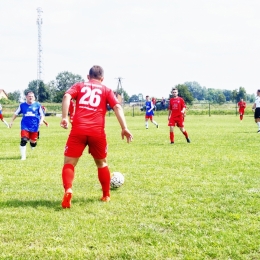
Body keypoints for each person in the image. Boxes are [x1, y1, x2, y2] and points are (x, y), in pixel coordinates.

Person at [60, 65, 133, 208]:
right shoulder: (106, 90)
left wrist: (64, 117)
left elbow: (66, 96)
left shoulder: (80, 86)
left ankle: (68, 188)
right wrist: (124, 127)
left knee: (69, 162)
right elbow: (117, 107)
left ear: (88, 76)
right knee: (102, 163)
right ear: (102, 78)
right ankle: (106, 195)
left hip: (78, 130)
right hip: (97, 132)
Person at [9, 91, 44, 160]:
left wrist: (41, 121)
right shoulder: (22, 105)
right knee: (23, 140)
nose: (30, 98)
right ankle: (23, 157)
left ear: (34, 97)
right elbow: (16, 113)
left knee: (33, 143)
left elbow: (42, 115)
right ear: (26, 97)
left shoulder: (38, 105)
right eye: (29, 96)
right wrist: (11, 121)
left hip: (34, 126)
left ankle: (33, 143)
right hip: (25, 125)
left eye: (32, 96)